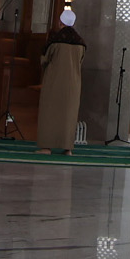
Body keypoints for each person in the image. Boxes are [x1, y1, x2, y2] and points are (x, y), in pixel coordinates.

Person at [38, 10, 86, 153]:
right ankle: (67, 149)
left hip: (54, 83)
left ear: (60, 22)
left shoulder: (55, 41)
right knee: (69, 116)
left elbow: (44, 59)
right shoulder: (81, 43)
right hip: (73, 85)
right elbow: (80, 62)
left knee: (49, 113)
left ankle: (46, 147)